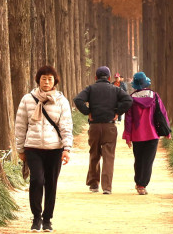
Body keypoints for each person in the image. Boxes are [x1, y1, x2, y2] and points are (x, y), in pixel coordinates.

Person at [13, 65, 74, 232]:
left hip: (55, 149)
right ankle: (36, 218)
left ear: (55, 81)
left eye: (49, 79)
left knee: (51, 184)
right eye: (43, 79)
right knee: (37, 180)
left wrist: (67, 148)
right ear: (38, 80)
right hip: (33, 148)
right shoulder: (27, 99)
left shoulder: (61, 101)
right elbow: (20, 125)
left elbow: (66, 126)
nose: (46, 82)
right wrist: (20, 149)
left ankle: (47, 219)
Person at [73, 65, 132, 195]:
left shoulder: (90, 89)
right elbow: (128, 100)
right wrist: (118, 112)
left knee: (94, 154)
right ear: (109, 78)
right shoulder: (115, 89)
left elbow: (78, 100)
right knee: (108, 156)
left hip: (94, 126)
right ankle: (107, 187)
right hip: (109, 126)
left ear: (96, 77)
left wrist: (87, 112)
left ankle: (94, 184)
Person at [122, 71, 170, 195]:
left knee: (138, 159)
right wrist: (167, 131)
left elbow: (128, 119)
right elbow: (162, 113)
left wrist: (128, 136)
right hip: (152, 134)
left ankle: (139, 182)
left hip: (137, 135)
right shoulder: (154, 96)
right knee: (148, 161)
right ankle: (142, 185)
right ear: (145, 83)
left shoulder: (131, 98)